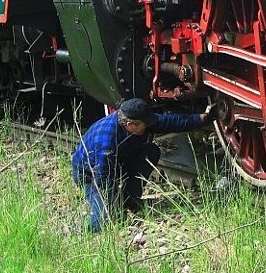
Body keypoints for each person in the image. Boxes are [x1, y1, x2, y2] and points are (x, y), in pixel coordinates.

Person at [71, 98, 217, 232]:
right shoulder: (107, 140)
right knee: (105, 219)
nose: (147, 126)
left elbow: (170, 121)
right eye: (144, 124)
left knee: (150, 151)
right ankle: (74, 229)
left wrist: (202, 119)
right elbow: (104, 178)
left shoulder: (138, 122)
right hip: (91, 175)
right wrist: (113, 206)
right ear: (130, 125)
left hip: (118, 162)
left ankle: (131, 199)